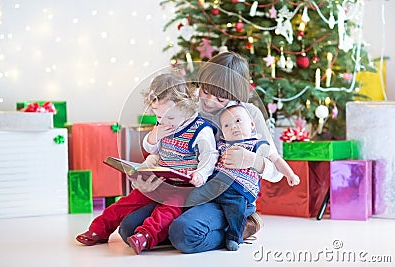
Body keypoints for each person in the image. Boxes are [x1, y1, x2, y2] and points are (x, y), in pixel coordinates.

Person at [119, 51, 297, 253]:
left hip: (227, 198)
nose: (210, 100)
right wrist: (148, 169)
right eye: (205, 90)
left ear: (235, 96)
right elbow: (166, 144)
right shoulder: (189, 106)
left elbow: (275, 171)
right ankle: (179, 227)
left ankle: (243, 225)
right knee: (128, 229)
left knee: (184, 234)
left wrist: (252, 160)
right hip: (184, 191)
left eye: (220, 97)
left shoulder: (247, 115)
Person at [76, 73, 218, 255]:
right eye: (159, 117)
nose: (164, 122)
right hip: (160, 182)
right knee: (126, 203)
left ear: (186, 106)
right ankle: (98, 229)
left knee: (167, 211)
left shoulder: (200, 129)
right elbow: (151, 148)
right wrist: (155, 135)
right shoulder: (164, 126)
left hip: (183, 188)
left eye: (170, 118)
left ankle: (145, 236)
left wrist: (200, 174)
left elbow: (209, 156)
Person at [185, 104, 300, 251]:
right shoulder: (221, 145)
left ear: (252, 124)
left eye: (238, 121)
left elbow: (276, 159)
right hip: (215, 184)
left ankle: (234, 237)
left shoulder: (257, 144)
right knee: (193, 195)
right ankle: (193, 218)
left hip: (238, 189)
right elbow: (209, 159)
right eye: (226, 125)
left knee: (236, 212)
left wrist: (290, 174)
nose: (233, 127)